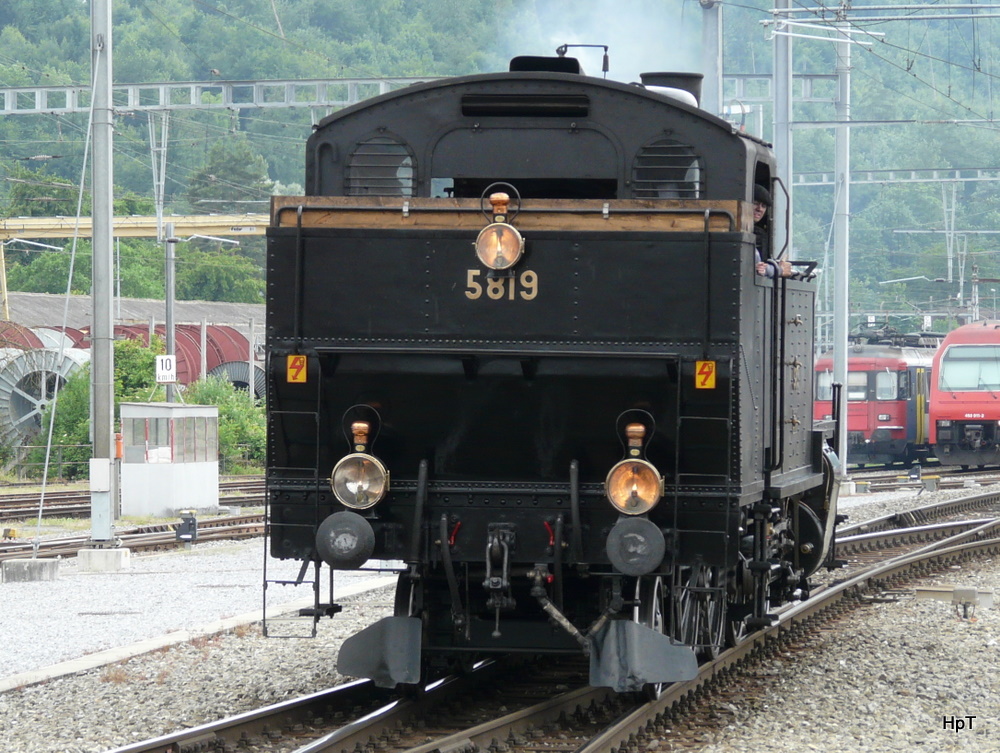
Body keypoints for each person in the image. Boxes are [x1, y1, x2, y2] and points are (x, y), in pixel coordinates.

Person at [752, 184, 792, 278]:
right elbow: (759, 268)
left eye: (763, 206)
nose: (760, 209)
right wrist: (779, 269)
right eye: (755, 203)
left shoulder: (759, 234)